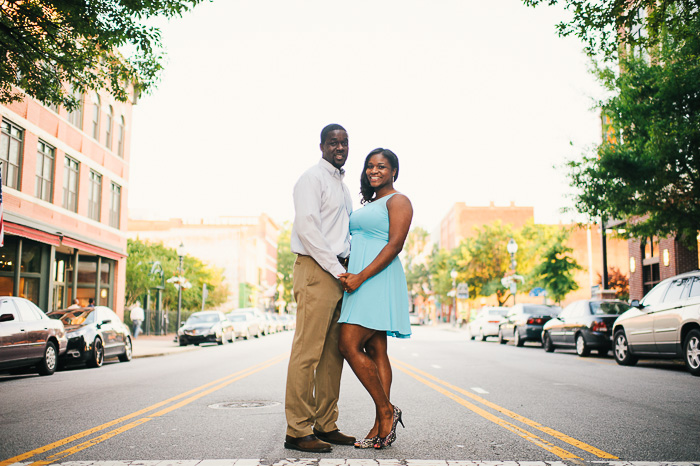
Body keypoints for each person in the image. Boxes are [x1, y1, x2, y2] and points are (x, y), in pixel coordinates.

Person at [284, 123, 356, 453]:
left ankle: (325, 424)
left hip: (338, 272)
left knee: (332, 354)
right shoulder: (310, 179)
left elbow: (343, 233)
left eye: (344, 142)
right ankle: (297, 429)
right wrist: (335, 268)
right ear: (322, 146)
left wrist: (350, 266)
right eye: (333, 142)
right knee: (307, 353)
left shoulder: (342, 188)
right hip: (317, 268)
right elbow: (308, 228)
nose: (339, 147)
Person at [337, 148, 413, 449]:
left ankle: (386, 410)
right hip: (361, 277)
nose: (374, 171)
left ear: (394, 170)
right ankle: (380, 422)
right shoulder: (371, 203)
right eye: (370, 166)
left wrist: (360, 276)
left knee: (348, 343)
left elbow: (395, 245)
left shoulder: (399, 200)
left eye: (381, 166)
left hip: (376, 279)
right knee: (376, 348)